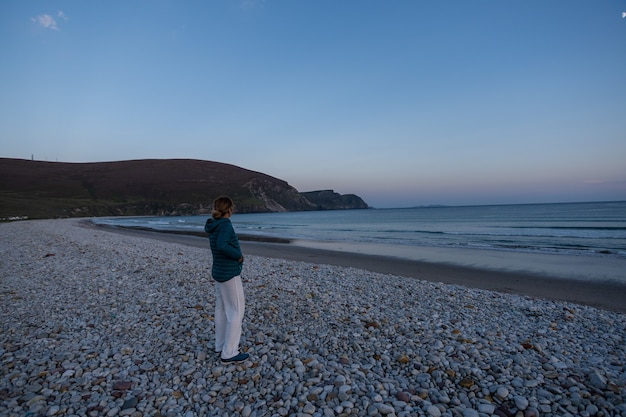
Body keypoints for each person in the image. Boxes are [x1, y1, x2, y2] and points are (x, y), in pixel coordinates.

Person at [204, 196, 249, 364]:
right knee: (236, 310)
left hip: (218, 271)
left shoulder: (213, 225)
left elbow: (218, 245)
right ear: (230, 209)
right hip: (228, 272)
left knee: (222, 308)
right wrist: (238, 256)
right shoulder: (225, 224)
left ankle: (220, 345)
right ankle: (229, 352)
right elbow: (223, 245)